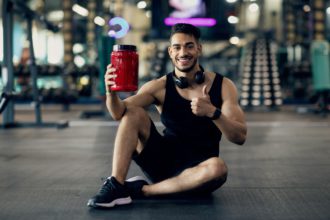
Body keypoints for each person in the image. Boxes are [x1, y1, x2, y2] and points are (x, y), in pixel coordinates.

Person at [87, 23, 247, 208]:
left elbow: (240, 136)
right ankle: (116, 185)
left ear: (199, 49)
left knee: (218, 168)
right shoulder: (159, 86)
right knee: (133, 113)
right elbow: (119, 113)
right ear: (171, 52)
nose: (183, 52)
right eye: (177, 47)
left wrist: (213, 112)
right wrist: (110, 92)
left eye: (189, 46)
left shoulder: (224, 86)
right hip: (161, 163)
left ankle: (142, 190)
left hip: (199, 170)